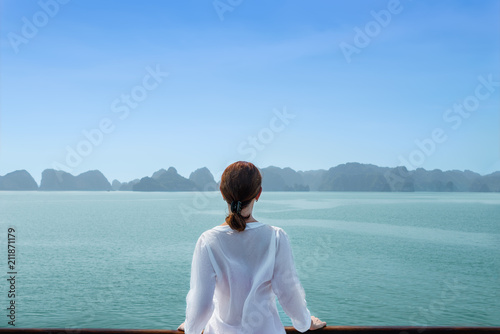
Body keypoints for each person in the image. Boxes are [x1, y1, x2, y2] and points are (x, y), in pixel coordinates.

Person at [178, 161, 326, 334]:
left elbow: (201, 305)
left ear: (222, 193)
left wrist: (191, 327)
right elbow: (289, 293)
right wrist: (305, 322)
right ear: (258, 194)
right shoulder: (276, 237)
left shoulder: (208, 241)